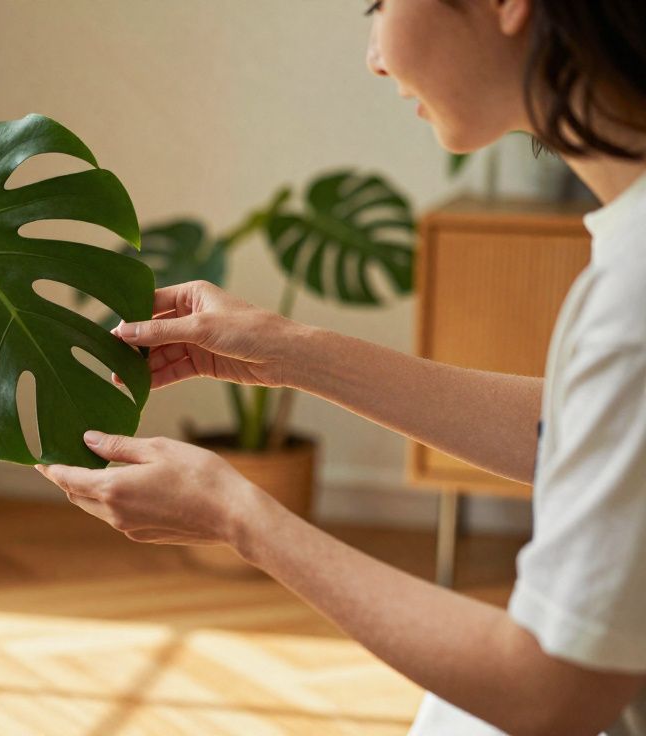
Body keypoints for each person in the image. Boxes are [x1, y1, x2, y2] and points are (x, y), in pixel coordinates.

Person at [35, 1, 646, 733]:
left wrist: (240, 515)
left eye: (379, 3)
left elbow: (549, 694)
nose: (375, 56)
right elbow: (580, 435)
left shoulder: (631, 301)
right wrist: (293, 351)